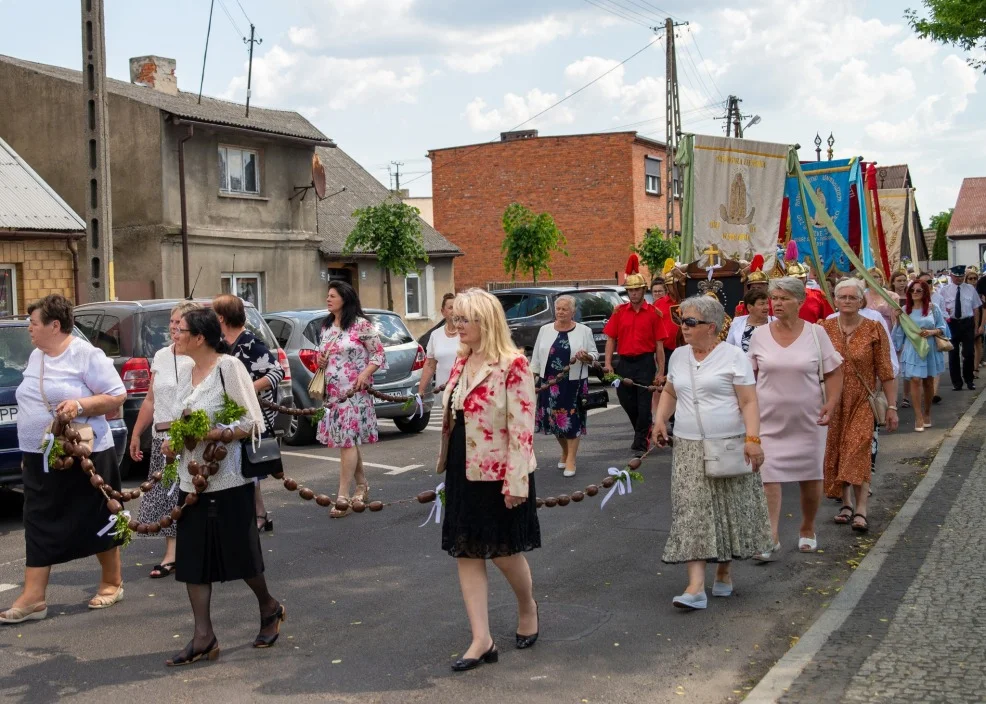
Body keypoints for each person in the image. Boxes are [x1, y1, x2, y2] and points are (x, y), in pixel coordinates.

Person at [165, 308, 282, 666]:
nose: (175, 335)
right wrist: (175, 438)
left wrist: (214, 433)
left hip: (228, 479)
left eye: (181, 330)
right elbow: (178, 421)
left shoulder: (229, 368)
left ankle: (269, 607)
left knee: (241, 556)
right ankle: (204, 637)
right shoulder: (185, 371)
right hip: (192, 481)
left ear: (200, 337)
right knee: (192, 561)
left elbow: (253, 422)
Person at [1, 294, 127, 624]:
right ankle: (33, 598)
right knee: (38, 520)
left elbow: (117, 394)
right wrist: (30, 454)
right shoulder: (37, 357)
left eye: (33, 323)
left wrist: (79, 405)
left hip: (86, 453)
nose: (29, 328)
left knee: (98, 515)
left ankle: (112, 582)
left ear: (54, 326)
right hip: (41, 455)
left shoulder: (86, 354)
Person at [437, 288, 539, 671]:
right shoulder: (462, 360)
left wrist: (516, 481)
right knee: (466, 550)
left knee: (503, 551)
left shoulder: (513, 364)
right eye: (455, 318)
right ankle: (481, 638)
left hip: (499, 471)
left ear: (487, 321)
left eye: (464, 319)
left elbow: (522, 427)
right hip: (464, 467)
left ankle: (527, 606)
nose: (457, 325)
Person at [651, 295, 771, 610]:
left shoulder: (734, 357)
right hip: (688, 446)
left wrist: (753, 439)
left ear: (712, 327)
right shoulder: (678, 356)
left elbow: (749, 402)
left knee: (727, 510)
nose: (683, 327)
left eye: (691, 322)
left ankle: (724, 571)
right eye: (681, 320)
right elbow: (670, 390)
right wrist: (660, 419)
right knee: (691, 511)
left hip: (728, 444)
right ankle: (695, 587)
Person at [747, 277, 843, 560]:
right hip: (769, 421)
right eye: (773, 298)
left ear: (800, 302)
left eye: (783, 298)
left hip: (809, 421)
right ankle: (770, 536)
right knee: (768, 478)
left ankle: (808, 528)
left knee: (811, 479)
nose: (775, 303)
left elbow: (834, 372)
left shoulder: (817, 334)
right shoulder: (759, 335)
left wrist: (833, 402)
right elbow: (749, 377)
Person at [130, 301, 200, 578]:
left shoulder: (198, 357)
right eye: (171, 321)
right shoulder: (160, 355)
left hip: (190, 439)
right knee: (166, 495)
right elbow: (150, 399)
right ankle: (171, 553)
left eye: (179, 322)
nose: (173, 327)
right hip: (162, 437)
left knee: (190, 494)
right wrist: (136, 433)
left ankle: (194, 549)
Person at [820, 280, 897, 533]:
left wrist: (892, 406)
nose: (847, 301)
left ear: (861, 300)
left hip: (863, 399)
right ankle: (845, 504)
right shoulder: (824, 328)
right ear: (835, 299)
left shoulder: (874, 328)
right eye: (842, 297)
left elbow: (885, 371)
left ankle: (861, 509)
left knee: (858, 450)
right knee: (838, 450)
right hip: (833, 400)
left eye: (852, 297)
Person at [314, 281, 386, 518]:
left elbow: (378, 354)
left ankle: (342, 496)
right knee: (348, 441)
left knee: (347, 440)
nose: (328, 299)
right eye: (327, 295)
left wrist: (365, 374)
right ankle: (362, 485)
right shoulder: (326, 327)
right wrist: (320, 361)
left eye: (332, 295)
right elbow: (320, 353)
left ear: (345, 298)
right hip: (334, 394)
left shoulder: (361, 325)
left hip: (354, 393)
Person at [213, 294, 285, 532]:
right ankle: (259, 513)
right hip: (227, 413)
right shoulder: (220, 342)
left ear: (222, 317)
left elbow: (277, 373)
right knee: (241, 467)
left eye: (214, 314)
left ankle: (257, 515)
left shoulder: (250, 342)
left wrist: (249, 389)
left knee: (246, 466)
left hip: (251, 414)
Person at [603, 254, 668, 454]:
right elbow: (611, 340)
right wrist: (608, 364)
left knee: (643, 404)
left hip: (645, 363)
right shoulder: (619, 312)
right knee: (625, 399)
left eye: (636, 290)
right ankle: (642, 430)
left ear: (643, 290)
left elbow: (659, 346)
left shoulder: (653, 313)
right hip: (624, 363)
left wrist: (660, 371)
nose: (633, 294)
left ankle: (641, 442)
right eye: (630, 290)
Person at [531, 295, 596, 477]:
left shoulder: (584, 331)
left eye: (564, 309)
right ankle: (565, 451)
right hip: (549, 383)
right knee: (553, 421)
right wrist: (531, 377)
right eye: (558, 308)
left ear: (573, 312)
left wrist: (588, 357)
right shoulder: (544, 330)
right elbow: (536, 357)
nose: (560, 312)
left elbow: (594, 354)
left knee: (572, 420)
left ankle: (571, 459)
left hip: (573, 383)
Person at [893, 280, 948, 431]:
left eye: (919, 290)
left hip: (929, 347)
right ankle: (918, 416)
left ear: (925, 293)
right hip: (912, 348)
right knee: (915, 380)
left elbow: (943, 328)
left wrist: (931, 332)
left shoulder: (933, 308)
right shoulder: (905, 309)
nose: (915, 293)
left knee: (928, 382)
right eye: (912, 290)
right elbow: (899, 333)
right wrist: (898, 319)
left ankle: (927, 412)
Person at [940, 265, 982, 391]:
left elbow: (976, 309)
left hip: (967, 323)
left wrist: (976, 326)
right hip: (952, 323)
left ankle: (969, 380)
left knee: (969, 353)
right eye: (957, 276)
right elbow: (941, 309)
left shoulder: (970, 289)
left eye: (962, 276)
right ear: (951, 276)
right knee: (953, 354)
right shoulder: (944, 290)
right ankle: (957, 383)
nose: (959, 279)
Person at [418, 293, 459, 396]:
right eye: (450, 308)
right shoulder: (435, 335)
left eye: (457, 307)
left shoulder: (466, 333)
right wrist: (421, 391)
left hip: (462, 391)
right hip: (442, 392)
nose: (454, 310)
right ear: (443, 312)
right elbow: (430, 365)